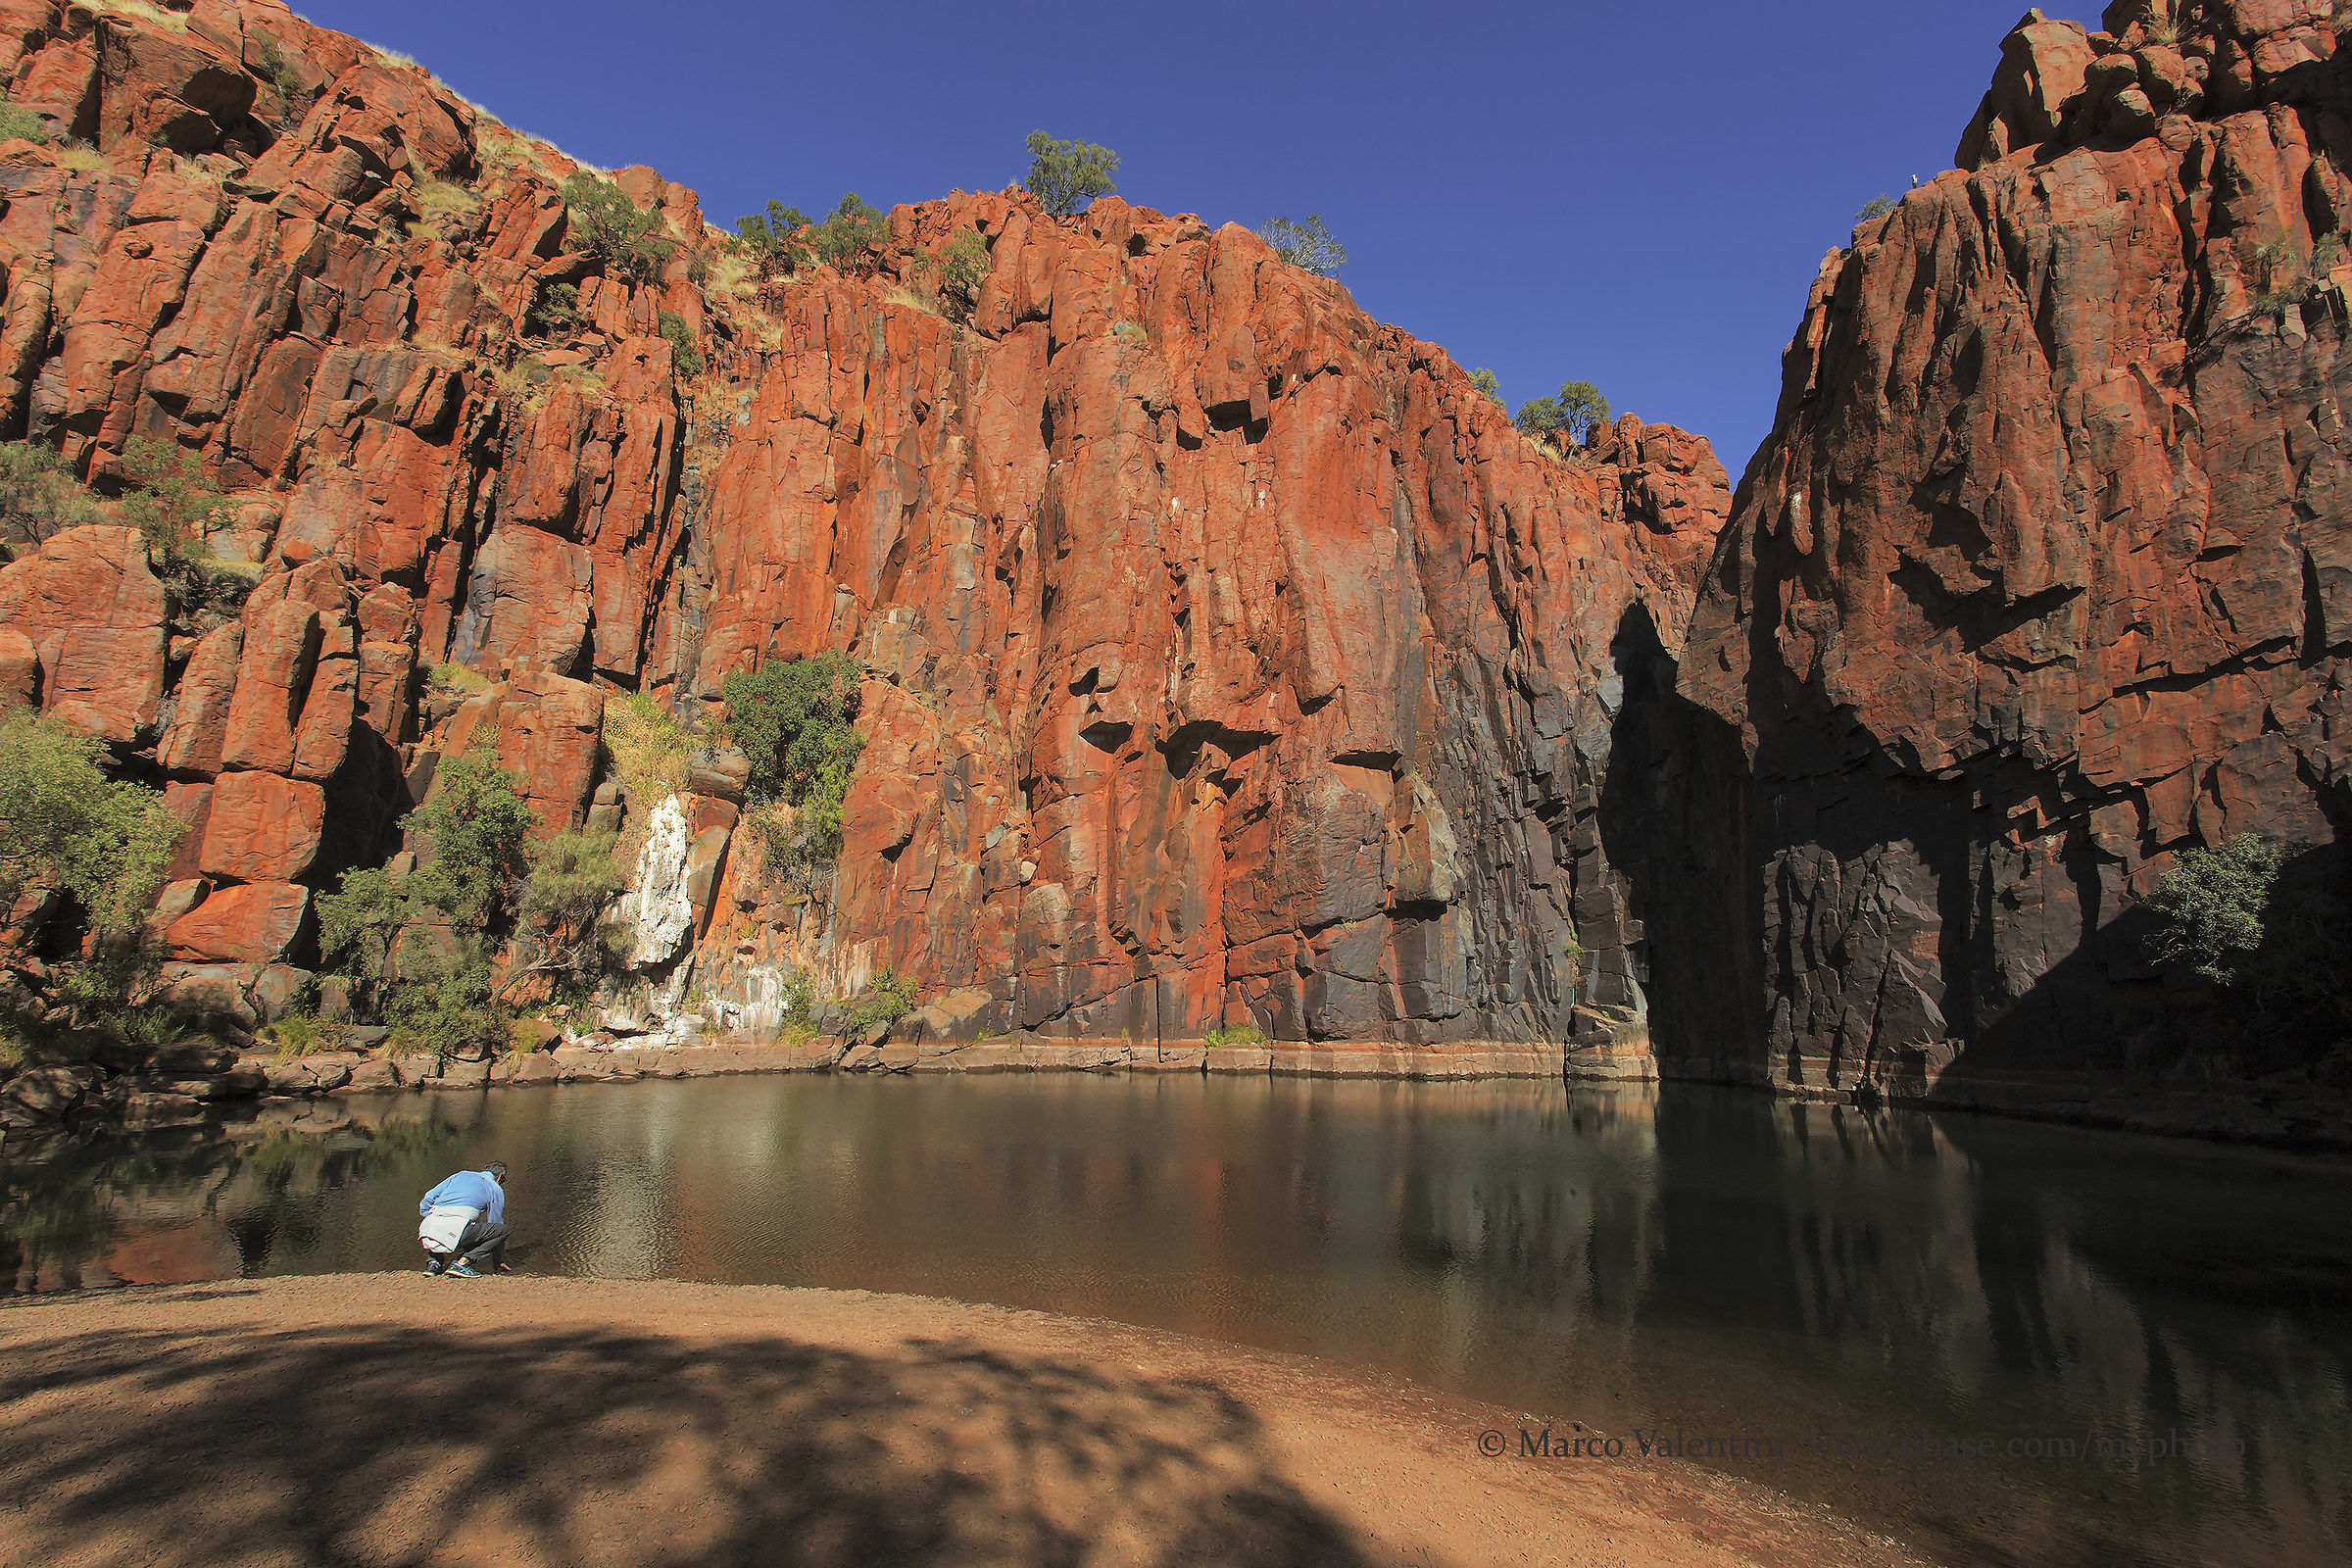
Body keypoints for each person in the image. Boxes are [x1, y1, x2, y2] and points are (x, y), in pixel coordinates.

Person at [417, 1161, 512, 1278]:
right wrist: (497, 1261)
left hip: (427, 1230)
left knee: (443, 1223)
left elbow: (428, 1199)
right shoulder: (494, 1188)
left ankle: (433, 1264)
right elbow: (495, 1223)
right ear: (500, 1177)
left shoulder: (460, 1175)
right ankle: (462, 1263)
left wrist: (430, 1216)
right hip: (456, 1230)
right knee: (502, 1230)